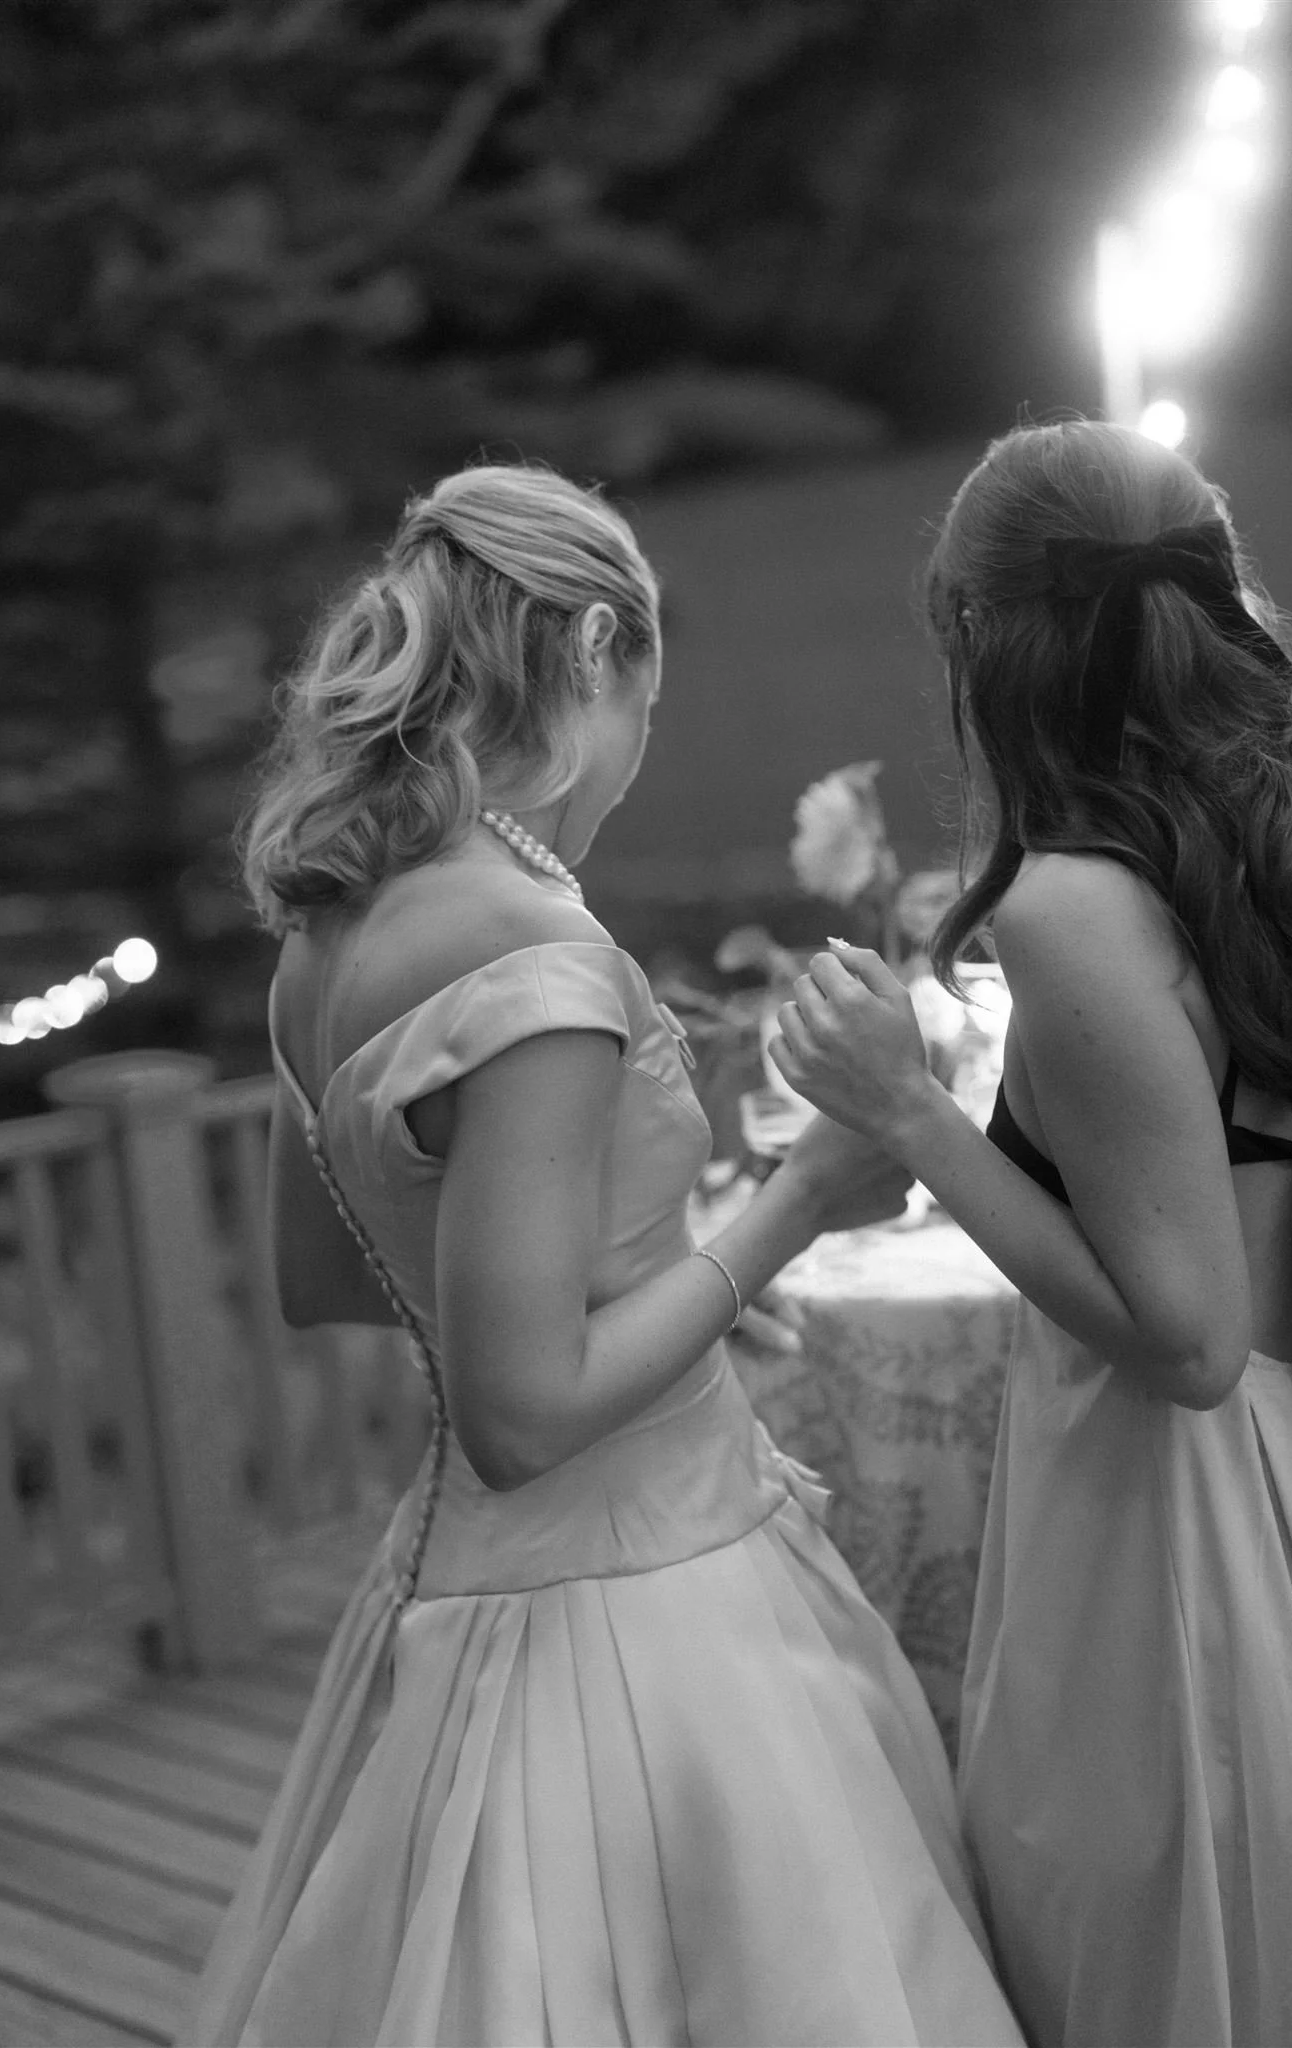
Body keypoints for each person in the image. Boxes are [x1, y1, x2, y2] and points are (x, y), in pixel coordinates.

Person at [186, 461, 1025, 2047]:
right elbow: (524, 1418)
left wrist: (661, 1296)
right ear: (589, 655)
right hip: (641, 1622)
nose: (645, 750)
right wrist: (801, 1202)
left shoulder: (325, 933)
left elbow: (336, 1273)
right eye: (649, 693)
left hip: (440, 1606)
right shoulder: (537, 949)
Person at [770, 419, 1292, 2048]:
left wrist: (911, 1116)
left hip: (1186, 1533)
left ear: (982, 634)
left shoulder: (1079, 907)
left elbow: (1184, 1338)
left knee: (1153, 1964)